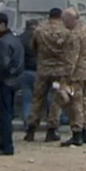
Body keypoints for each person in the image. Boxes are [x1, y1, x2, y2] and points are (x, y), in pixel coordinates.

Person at [25, 8, 68, 143]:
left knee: (37, 99)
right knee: (56, 100)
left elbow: (33, 47)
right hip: (59, 70)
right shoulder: (65, 31)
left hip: (43, 69)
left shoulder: (39, 30)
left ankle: (31, 129)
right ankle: (51, 130)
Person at [0, 12, 25, 156]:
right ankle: (6, 145)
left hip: (4, 83)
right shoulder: (15, 40)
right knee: (6, 115)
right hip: (13, 82)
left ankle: (5, 145)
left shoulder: (3, 42)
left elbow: (2, 64)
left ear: (2, 24)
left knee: (4, 116)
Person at [60, 8, 86, 147]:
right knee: (84, 102)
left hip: (76, 74)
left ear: (70, 19)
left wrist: (66, 77)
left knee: (76, 104)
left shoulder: (74, 35)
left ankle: (77, 132)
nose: (63, 23)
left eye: (64, 20)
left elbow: (71, 59)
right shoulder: (85, 30)